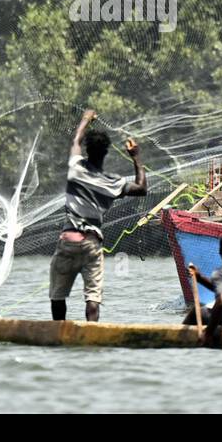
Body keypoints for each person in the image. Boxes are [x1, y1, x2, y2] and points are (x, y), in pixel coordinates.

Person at [50, 109, 146, 322]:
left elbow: (76, 140)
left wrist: (85, 119)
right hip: (92, 244)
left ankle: (58, 331)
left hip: (68, 241)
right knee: (92, 297)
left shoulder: (75, 168)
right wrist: (136, 157)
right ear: (106, 153)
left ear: (87, 151)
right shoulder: (112, 182)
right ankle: (91, 333)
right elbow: (141, 188)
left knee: (58, 295)